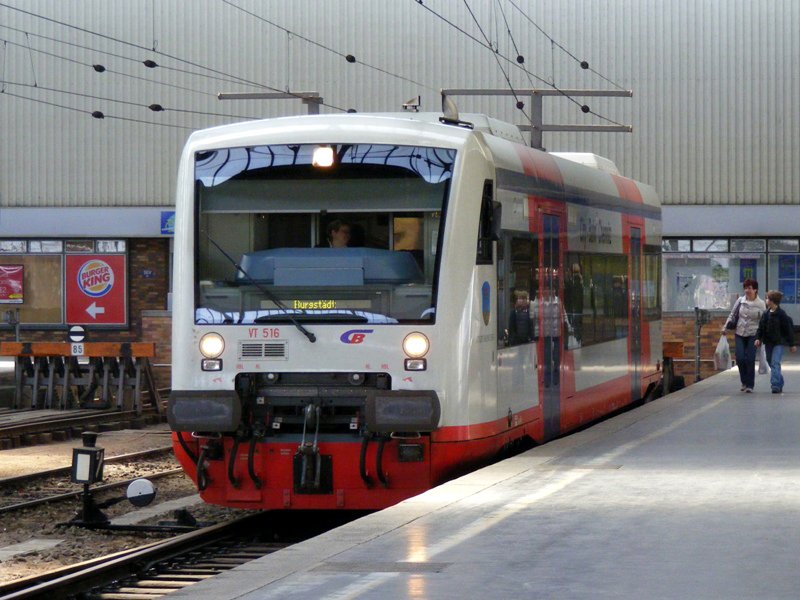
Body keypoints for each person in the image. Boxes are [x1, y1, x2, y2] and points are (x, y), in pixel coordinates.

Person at [723, 278, 766, 393]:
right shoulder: (740, 301)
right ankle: (744, 381)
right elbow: (732, 314)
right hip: (740, 332)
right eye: (745, 288)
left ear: (755, 290)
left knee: (750, 359)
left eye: (750, 288)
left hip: (753, 333)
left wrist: (762, 337)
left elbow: (764, 321)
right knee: (740, 358)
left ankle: (750, 385)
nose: (747, 290)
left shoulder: (761, 304)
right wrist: (725, 327)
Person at [754, 290, 796, 394]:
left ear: (772, 301)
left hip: (778, 343)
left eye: (767, 298)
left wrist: (792, 344)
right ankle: (780, 381)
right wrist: (758, 338)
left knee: (775, 362)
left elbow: (788, 330)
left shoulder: (781, 314)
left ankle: (775, 385)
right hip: (768, 343)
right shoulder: (766, 314)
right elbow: (761, 328)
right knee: (770, 362)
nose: (766, 300)